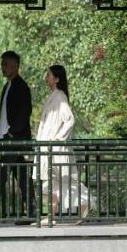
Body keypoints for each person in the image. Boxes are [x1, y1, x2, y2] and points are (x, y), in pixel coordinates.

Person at [36, 64, 91, 222]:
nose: (46, 78)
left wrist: (58, 138)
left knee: (64, 181)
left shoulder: (59, 97)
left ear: (57, 79)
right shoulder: (54, 96)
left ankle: (85, 205)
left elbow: (70, 119)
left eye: (49, 75)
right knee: (53, 182)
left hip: (56, 148)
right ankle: (52, 216)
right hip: (49, 147)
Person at [0, 50, 33, 219]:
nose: (3, 67)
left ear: (15, 66)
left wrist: (12, 134)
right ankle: (33, 209)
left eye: (5, 64)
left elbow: (24, 113)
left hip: (14, 140)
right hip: (8, 139)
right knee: (21, 177)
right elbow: (3, 119)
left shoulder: (21, 87)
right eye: (2, 64)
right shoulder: (7, 86)